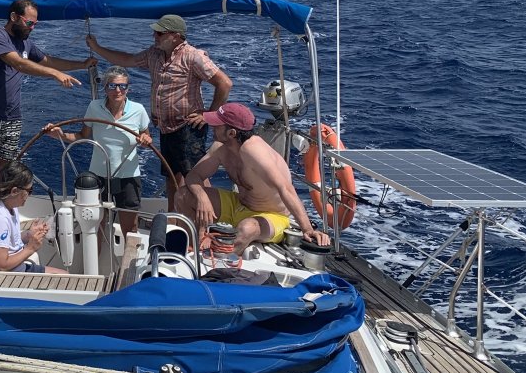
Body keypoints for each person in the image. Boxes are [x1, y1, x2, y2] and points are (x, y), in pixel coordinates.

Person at [86, 14, 231, 208]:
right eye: (155, 32)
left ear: (176, 36)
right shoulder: (153, 53)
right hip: (165, 128)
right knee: (172, 178)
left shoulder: (193, 56)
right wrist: (97, 48)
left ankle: (206, 221)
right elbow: (127, 60)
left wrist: (208, 116)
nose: (155, 36)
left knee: (195, 178)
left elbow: (224, 83)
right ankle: (174, 220)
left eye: (160, 33)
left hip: (188, 128)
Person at [0, 0, 97, 191]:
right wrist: (55, 74)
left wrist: (81, 65)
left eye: (35, 24)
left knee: (3, 174)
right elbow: (18, 63)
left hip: (12, 118)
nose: (32, 28)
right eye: (29, 23)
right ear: (13, 17)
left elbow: (48, 61)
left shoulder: (26, 44)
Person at [178, 102, 329, 255]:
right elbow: (194, 176)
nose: (212, 127)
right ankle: (194, 249)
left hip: (270, 216)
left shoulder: (254, 151)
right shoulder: (220, 148)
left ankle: (222, 265)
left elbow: (286, 189)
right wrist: (202, 198)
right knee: (183, 195)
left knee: (247, 228)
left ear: (231, 133)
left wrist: (307, 229)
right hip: (238, 205)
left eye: (217, 125)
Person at [44, 66, 151, 235]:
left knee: (130, 229)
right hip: (98, 176)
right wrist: (60, 135)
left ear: (128, 88)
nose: (118, 90)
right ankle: (94, 260)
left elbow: (146, 137)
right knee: (96, 226)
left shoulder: (138, 110)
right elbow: (82, 135)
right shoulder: (94, 107)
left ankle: (132, 262)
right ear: (105, 88)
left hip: (128, 178)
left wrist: (145, 140)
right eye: (112, 86)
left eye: (122, 86)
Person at [0, 161, 66, 273]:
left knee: (65, 275)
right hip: (5, 277)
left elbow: (10, 244)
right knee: (66, 277)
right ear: (14, 191)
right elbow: (1, 266)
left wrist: (29, 235)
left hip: (17, 269)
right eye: (29, 191)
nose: (30, 195)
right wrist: (30, 248)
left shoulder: (9, 207)